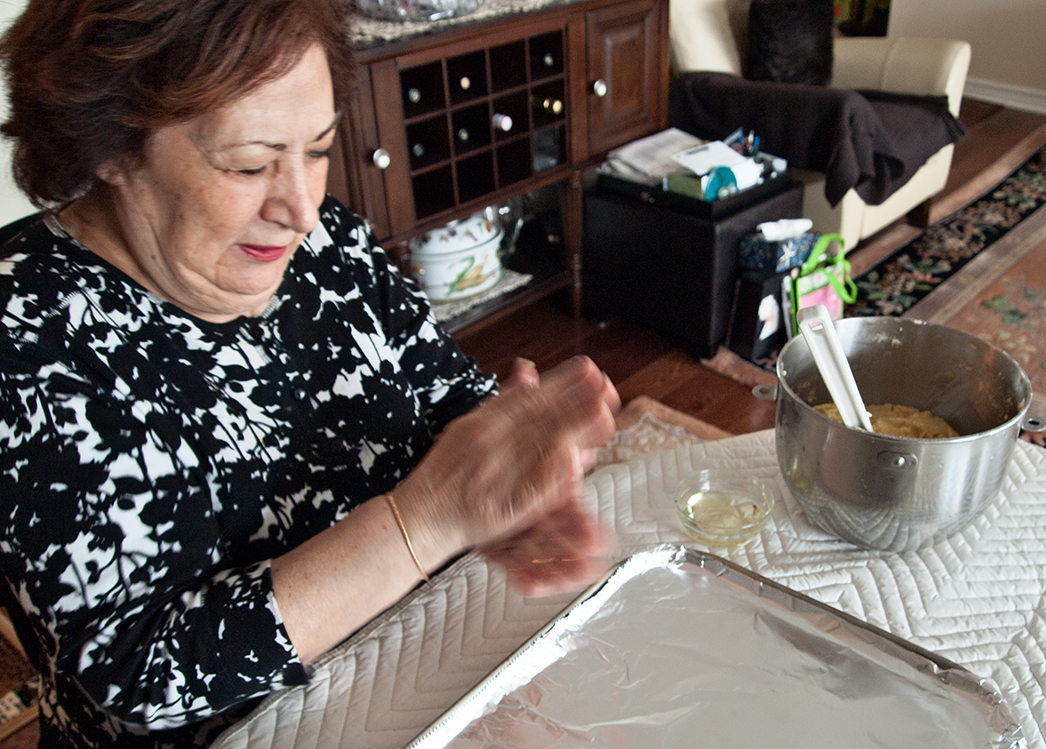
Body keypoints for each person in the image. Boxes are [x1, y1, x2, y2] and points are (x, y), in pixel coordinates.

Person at [0, 1, 621, 746]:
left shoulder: (329, 247)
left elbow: (447, 396)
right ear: (109, 147)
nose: (300, 209)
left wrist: (508, 476)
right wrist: (425, 519)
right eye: (248, 164)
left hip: (416, 679)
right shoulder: (26, 335)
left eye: (319, 149)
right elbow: (140, 670)